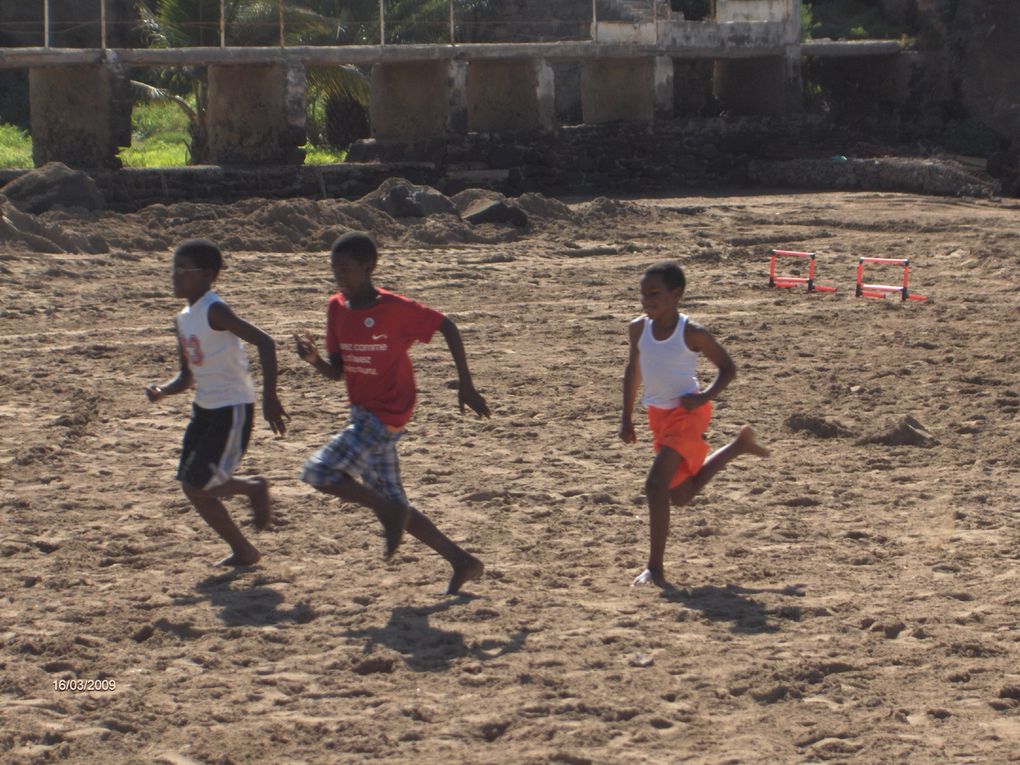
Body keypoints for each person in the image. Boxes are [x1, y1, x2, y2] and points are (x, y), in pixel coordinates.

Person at [294, 231, 489, 595]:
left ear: (369, 268)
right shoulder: (336, 307)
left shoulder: (395, 308)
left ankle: (388, 511)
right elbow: (338, 371)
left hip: (387, 414)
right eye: (335, 271)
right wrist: (314, 359)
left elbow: (447, 326)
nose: (340, 278)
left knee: (318, 471)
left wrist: (465, 383)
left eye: (346, 270)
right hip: (361, 414)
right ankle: (463, 561)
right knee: (397, 504)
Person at [619, 261, 768, 587]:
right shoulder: (637, 328)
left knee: (655, 485)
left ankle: (654, 570)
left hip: (688, 414)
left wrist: (703, 398)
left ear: (677, 294)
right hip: (658, 416)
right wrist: (626, 417)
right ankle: (738, 446)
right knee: (681, 494)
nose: (647, 301)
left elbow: (727, 368)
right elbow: (633, 372)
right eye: (643, 295)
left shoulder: (692, 332)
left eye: (655, 294)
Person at [146, 239, 289, 567]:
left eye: (184, 269)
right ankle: (244, 550)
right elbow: (186, 377)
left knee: (200, 481)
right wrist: (162, 390)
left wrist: (270, 397)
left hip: (233, 407)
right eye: (174, 268)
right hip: (204, 410)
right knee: (191, 485)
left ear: (207, 275)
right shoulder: (182, 319)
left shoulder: (215, 309)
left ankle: (254, 488)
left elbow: (265, 342)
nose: (175, 275)